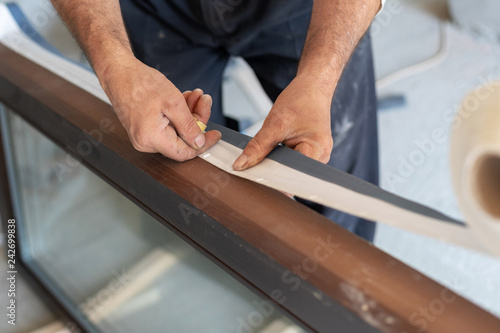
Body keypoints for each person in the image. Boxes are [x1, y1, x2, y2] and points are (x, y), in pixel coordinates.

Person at [51, 0, 383, 242]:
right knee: (181, 172)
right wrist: (114, 65)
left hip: (301, 9)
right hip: (156, 11)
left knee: (329, 167)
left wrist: (320, 81)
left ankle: (343, 298)